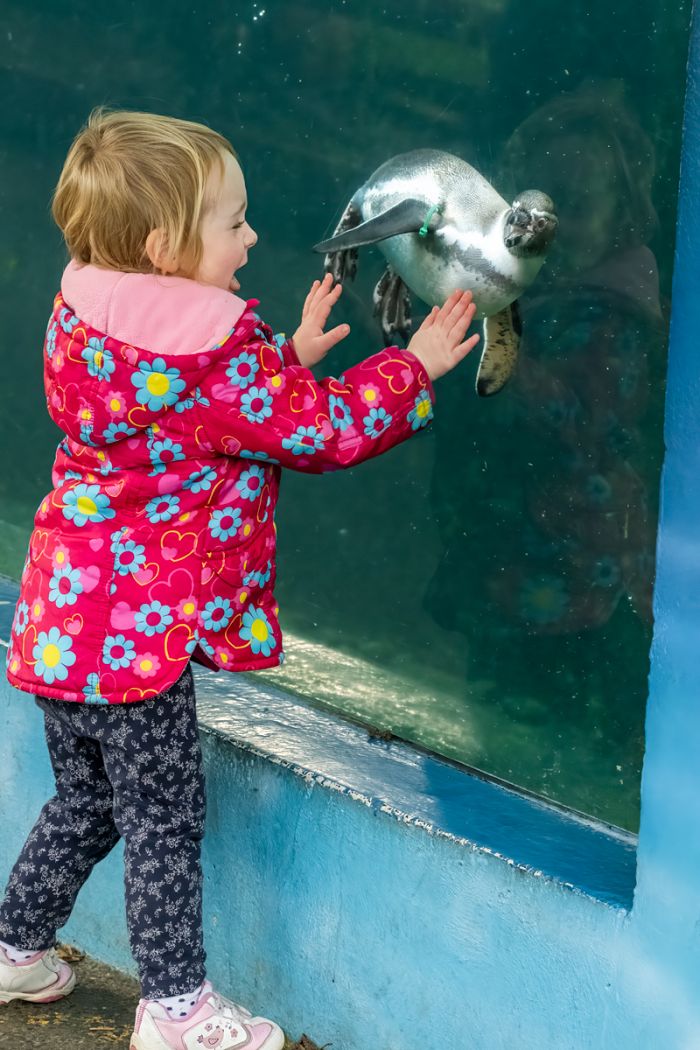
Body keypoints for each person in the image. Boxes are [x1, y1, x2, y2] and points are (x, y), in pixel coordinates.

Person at [0, 108, 479, 1050]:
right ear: (162, 247)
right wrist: (412, 366)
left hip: (63, 625)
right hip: (139, 647)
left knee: (87, 801)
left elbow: (185, 422)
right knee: (165, 822)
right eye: (233, 222)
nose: (252, 236)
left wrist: (285, 357)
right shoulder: (212, 362)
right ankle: (175, 1010)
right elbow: (319, 430)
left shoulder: (85, 322)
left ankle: (14, 947)